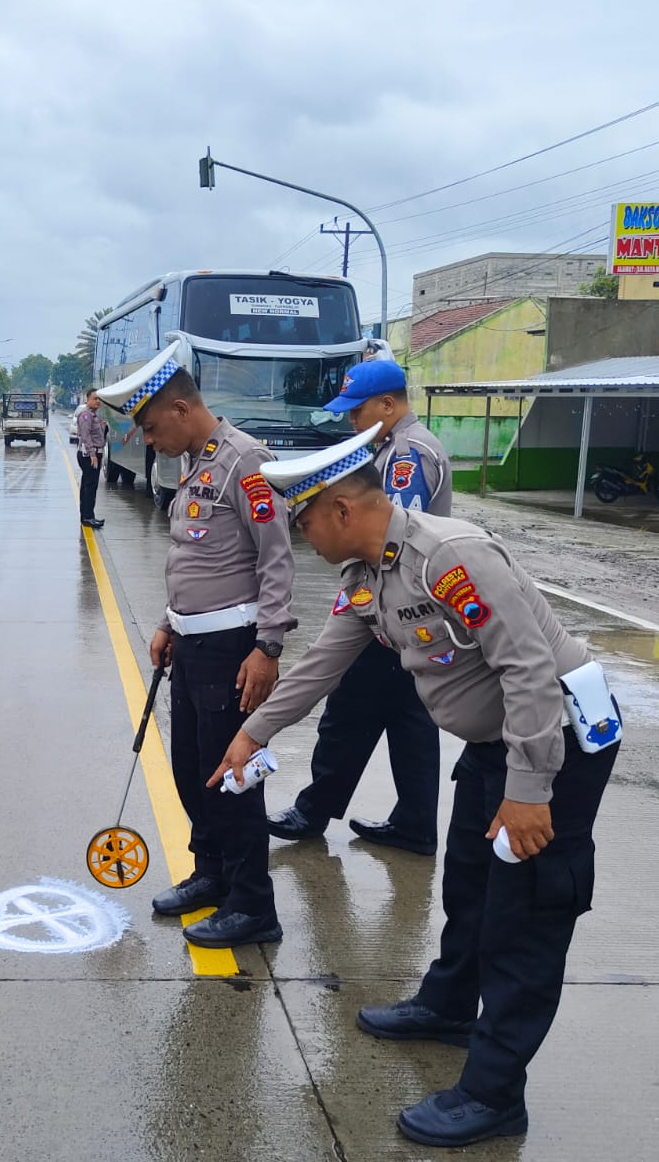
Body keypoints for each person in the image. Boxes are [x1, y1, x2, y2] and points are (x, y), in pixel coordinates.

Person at [211, 426, 621, 1148]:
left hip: (554, 747)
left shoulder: (450, 559)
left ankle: (494, 1095)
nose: (300, 537)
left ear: (340, 509)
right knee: (467, 886)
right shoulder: (367, 579)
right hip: (496, 749)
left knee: (522, 923)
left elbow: (529, 672)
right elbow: (321, 667)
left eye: (303, 521)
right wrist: (254, 733)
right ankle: (450, 1005)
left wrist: (529, 793)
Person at [95, 337, 296, 948]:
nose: (149, 442)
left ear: (181, 410)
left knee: (231, 781)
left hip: (234, 649)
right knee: (190, 772)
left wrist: (268, 647)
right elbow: (193, 559)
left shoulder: (245, 462)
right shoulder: (195, 461)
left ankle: (253, 906)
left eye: (153, 429)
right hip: (191, 645)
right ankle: (211, 872)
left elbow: (276, 561)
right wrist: (166, 622)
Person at [269, 357, 452, 856]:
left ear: (388, 404)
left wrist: (358, 605)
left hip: (393, 610)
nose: (351, 422)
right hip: (411, 614)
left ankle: (314, 811)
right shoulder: (396, 447)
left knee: (350, 713)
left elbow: (392, 540)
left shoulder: (407, 456)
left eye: (358, 411)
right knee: (408, 719)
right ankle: (412, 823)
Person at [75, 388, 107, 528]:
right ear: (87, 400)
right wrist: (92, 454)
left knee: (89, 485)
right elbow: (85, 436)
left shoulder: (94, 415)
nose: (98, 401)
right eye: (95, 398)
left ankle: (88, 515)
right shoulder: (86, 415)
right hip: (89, 455)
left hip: (94, 453)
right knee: (90, 486)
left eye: (99, 399)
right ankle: (87, 517)